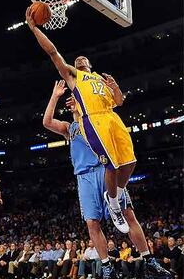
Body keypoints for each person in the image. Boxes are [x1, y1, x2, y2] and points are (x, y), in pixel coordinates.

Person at [42, 80, 172, 279]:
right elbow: (46, 122)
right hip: (84, 177)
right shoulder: (70, 128)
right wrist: (55, 96)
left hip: (106, 170)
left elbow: (114, 103)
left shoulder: (97, 120)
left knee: (128, 214)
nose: (75, 101)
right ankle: (106, 266)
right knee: (92, 223)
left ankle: (148, 260)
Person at [26, 8, 135, 234]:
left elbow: (119, 102)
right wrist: (34, 28)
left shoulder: (101, 79)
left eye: (83, 59)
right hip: (93, 121)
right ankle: (114, 205)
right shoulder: (75, 76)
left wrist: (115, 88)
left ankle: (114, 193)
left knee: (130, 163)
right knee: (111, 165)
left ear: (90, 64)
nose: (80, 59)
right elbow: (54, 52)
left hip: (111, 117)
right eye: (77, 60)